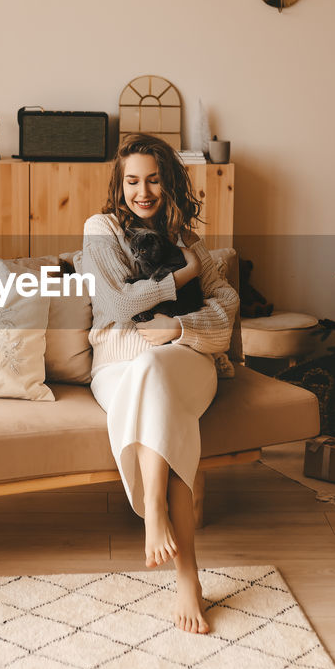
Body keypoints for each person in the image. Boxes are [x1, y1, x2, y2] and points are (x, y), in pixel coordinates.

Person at [82, 134, 238, 634]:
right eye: (131, 180)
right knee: (150, 376)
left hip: (185, 358)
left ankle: (153, 510)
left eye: (152, 179)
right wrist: (178, 280)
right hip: (119, 367)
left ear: (168, 183)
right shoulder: (100, 229)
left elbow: (228, 304)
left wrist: (179, 328)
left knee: (156, 368)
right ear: (119, 184)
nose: (141, 191)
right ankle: (188, 576)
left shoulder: (188, 241)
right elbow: (116, 307)